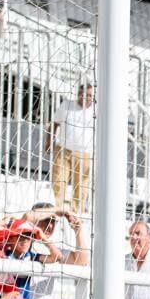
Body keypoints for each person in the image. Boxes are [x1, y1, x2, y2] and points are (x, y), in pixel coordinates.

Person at [0, 220, 63, 299]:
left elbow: (57, 257)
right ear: (11, 239)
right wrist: (3, 222)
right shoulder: (1, 254)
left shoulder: (32, 257)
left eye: (29, 236)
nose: (25, 240)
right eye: (21, 236)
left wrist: (42, 236)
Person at [45, 84, 96, 213]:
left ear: (93, 97)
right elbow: (54, 124)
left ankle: (77, 211)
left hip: (84, 152)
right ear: (78, 94)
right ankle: (58, 208)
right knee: (58, 180)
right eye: (83, 94)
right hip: (63, 149)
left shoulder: (97, 111)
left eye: (89, 95)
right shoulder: (66, 105)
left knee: (81, 184)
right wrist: (49, 141)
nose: (85, 97)